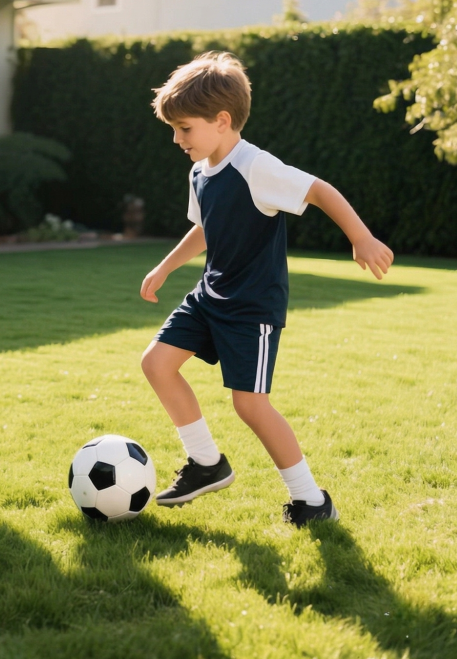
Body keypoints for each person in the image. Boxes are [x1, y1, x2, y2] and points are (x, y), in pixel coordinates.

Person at [139, 52, 393, 525]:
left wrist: (361, 237)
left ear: (222, 120)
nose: (177, 139)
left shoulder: (256, 166)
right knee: (156, 363)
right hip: (210, 295)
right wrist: (166, 267)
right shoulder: (200, 171)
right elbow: (206, 228)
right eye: (173, 129)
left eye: (185, 128)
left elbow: (319, 190)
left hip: (250, 308)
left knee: (250, 405)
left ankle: (312, 500)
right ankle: (206, 463)